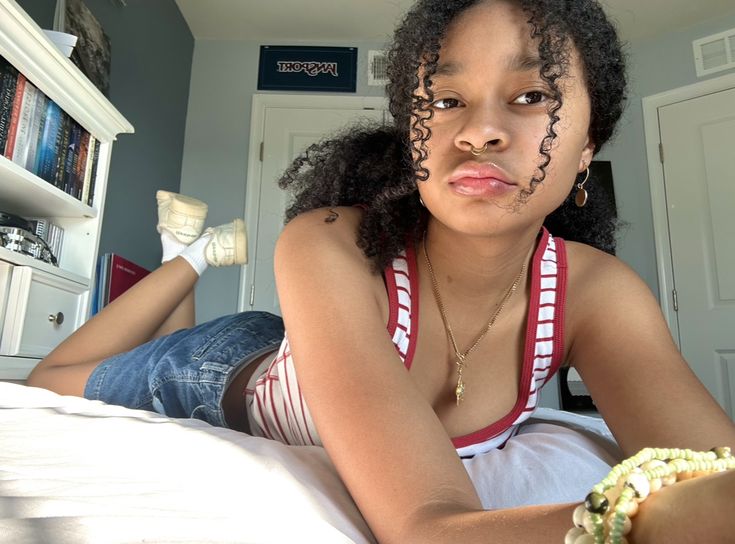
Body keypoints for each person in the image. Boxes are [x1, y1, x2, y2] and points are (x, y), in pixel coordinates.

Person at [28, 0, 735, 542]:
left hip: (320, 344)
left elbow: (712, 473)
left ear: (588, 146)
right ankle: (192, 255)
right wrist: (644, 522)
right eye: (445, 99)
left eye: (529, 97)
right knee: (45, 382)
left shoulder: (595, 292)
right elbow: (427, 523)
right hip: (214, 371)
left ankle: (195, 260)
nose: (477, 131)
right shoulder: (328, 242)